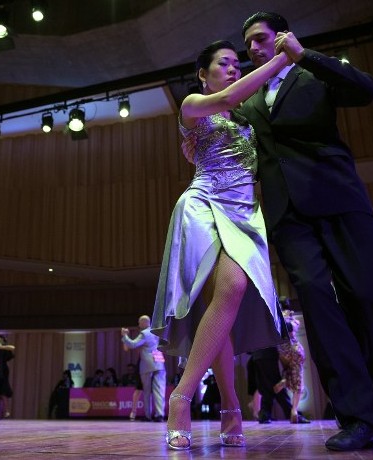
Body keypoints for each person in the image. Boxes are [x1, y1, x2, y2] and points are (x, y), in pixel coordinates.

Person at [239, 12, 373, 451]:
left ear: (283, 37)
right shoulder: (249, 99)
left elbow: (366, 89)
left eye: (261, 39)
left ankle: (366, 401)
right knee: (317, 299)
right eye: (248, 43)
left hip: (339, 199)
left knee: (372, 294)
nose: (253, 48)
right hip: (287, 215)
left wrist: (306, 55)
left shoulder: (312, 73)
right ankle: (359, 417)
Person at [151, 39, 289, 451]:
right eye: (224, 63)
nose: (232, 69)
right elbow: (230, 95)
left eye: (236, 64)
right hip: (205, 206)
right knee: (226, 292)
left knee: (227, 300)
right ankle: (184, 399)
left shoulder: (247, 118)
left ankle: (229, 402)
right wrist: (285, 55)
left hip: (245, 213)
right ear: (203, 73)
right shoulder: (193, 104)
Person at [122, 316, 167, 424]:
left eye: (139, 323)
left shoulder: (145, 333)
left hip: (147, 365)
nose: (139, 325)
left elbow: (132, 344)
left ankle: (148, 415)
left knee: (147, 391)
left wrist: (124, 336)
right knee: (159, 391)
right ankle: (159, 414)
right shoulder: (157, 332)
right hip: (159, 363)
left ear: (143, 322)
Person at [277, 307, 307, 423]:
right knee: (299, 381)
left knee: (289, 370)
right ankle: (294, 411)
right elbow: (294, 326)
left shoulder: (277, 319)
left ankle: (286, 380)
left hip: (283, 352)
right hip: (295, 350)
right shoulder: (291, 318)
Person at [0, 334, 15, 419]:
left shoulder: (5, 348)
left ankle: (6, 410)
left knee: (2, 392)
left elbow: (10, 356)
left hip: (2, 369)